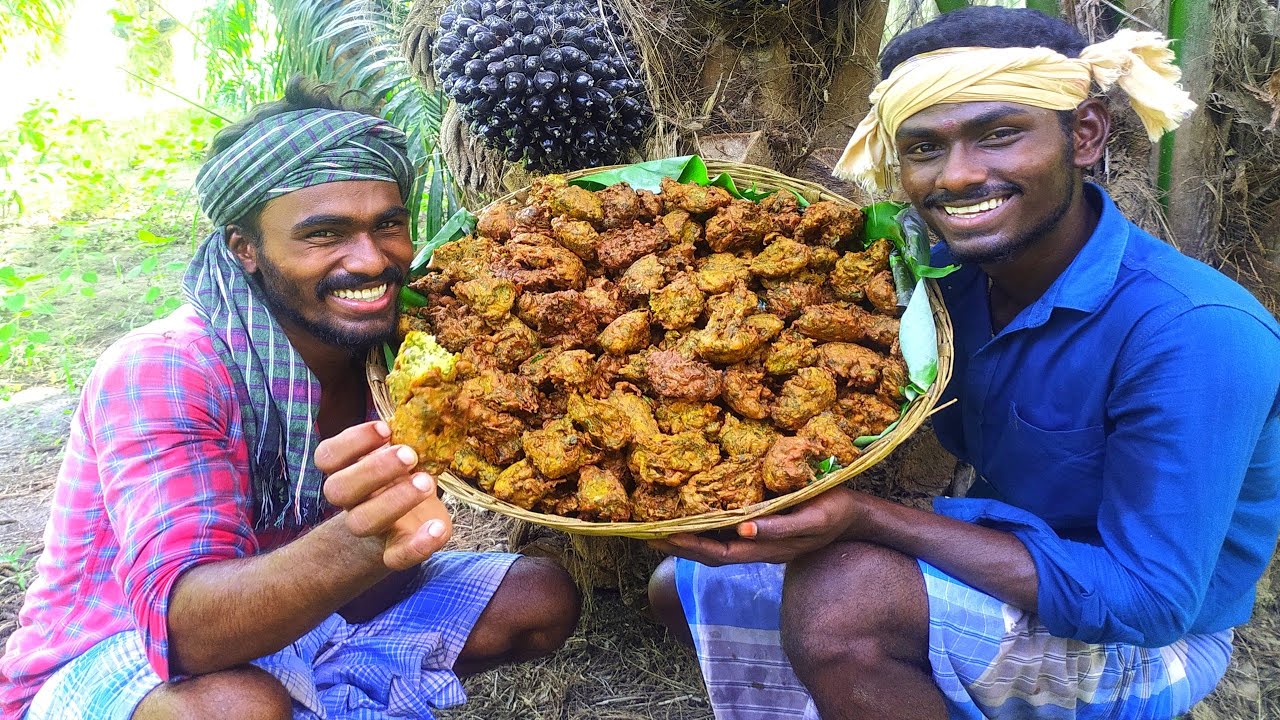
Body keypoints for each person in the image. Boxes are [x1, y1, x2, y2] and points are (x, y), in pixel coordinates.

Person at [647, 7, 1280, 720]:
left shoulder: (1194, 332)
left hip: (1150, 637)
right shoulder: (946, 283)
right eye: (923, 148)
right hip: (1011, 555)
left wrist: (866, 518)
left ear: (1086, 134)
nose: (959, 176)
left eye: (999, 134)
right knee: (685, 585)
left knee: (842, 600)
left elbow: (1150, 602)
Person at [0, 78, 581, 720]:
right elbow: (186, 635)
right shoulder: (165, 369)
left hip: (298, 619)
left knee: (535, 597)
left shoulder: (396, 360)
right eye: (324, 234)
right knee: (234, 709)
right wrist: (366, 538)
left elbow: (361, 599)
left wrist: (391, 536)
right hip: (128, 649)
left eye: (389, 224)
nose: (370, 260)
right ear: (243, 248)